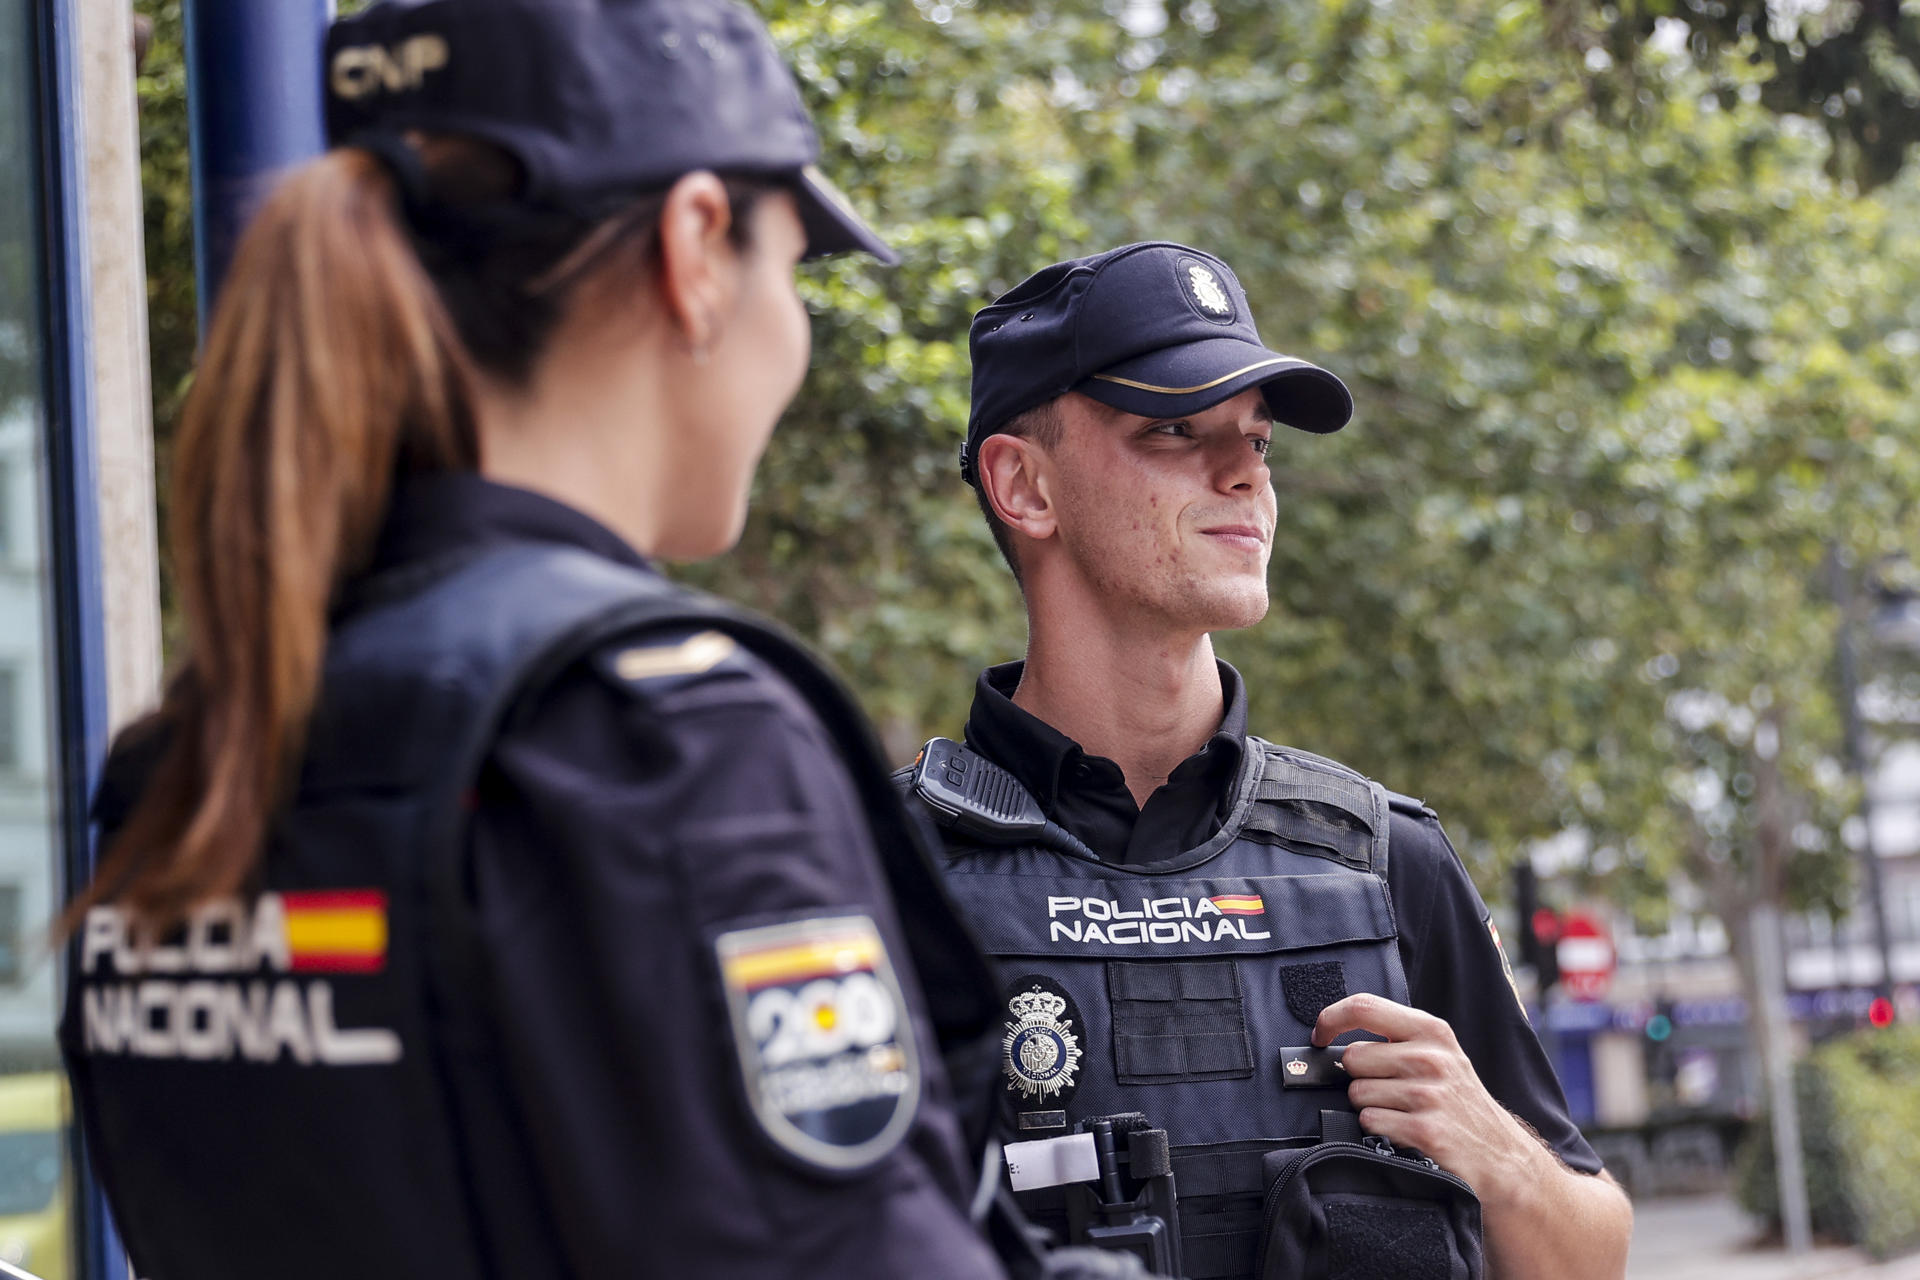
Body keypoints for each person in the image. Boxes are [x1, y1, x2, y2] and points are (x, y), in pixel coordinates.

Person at [54, 4, 1140, 1278]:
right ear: (693, 249)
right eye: (792, 267)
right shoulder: (657, 738)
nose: (789, 332)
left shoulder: (193, 747)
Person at [898, 242, 1634, 1280]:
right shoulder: (882, 872)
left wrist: (1495, 1148)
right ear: (1024, 483)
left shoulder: (1386, 862)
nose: (1243, 470)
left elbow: (1591, 1251)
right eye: (1174, 430)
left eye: (1257, 440)